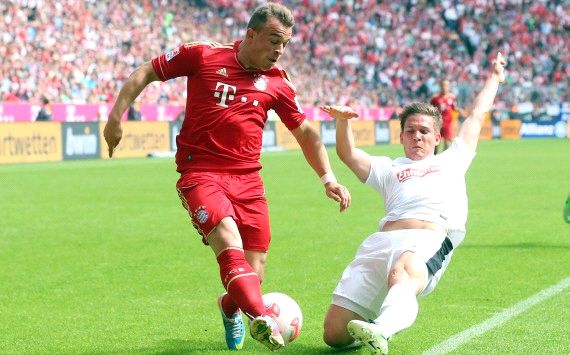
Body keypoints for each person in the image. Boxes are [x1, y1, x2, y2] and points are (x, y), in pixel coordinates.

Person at [103, 2, 351, 352]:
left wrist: (329, 178)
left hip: (248, 181)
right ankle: (261, 316)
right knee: (228, 239)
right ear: (251, 34)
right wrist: (115, 116)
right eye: (274, 40)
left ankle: (230, 305)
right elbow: (147, 71)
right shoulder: (202, 56)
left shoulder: (278, 83)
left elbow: (306, 133)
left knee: (255, 270)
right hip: (200, 173)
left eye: (286, 43)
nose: (280, 50)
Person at [320, 52, 506, 354]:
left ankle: (383, 329)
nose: (417, 136)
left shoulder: (453, 159)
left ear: (436, 137)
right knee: (335, 334)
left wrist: (495, 77)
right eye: (410, 131)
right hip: (380, 243)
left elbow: (476, 115)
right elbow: (349, 155)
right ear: (402, 136)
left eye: (424, 131)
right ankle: (373, 323)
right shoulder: (387, 168)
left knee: (403, 272)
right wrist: (342, 122)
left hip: (427, 240)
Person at [429, 78, 465, 153]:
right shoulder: (435, 98)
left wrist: (459, 110)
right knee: (436, 143)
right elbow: (430, 109)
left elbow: (454, 107)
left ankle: (444, 160)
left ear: (449, 86)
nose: (445, 87)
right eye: (443, 85)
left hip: (448, 123)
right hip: (438, 123)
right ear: (440, 86)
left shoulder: (452, 97)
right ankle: (433, 158)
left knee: (447, 142)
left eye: (446, 85)